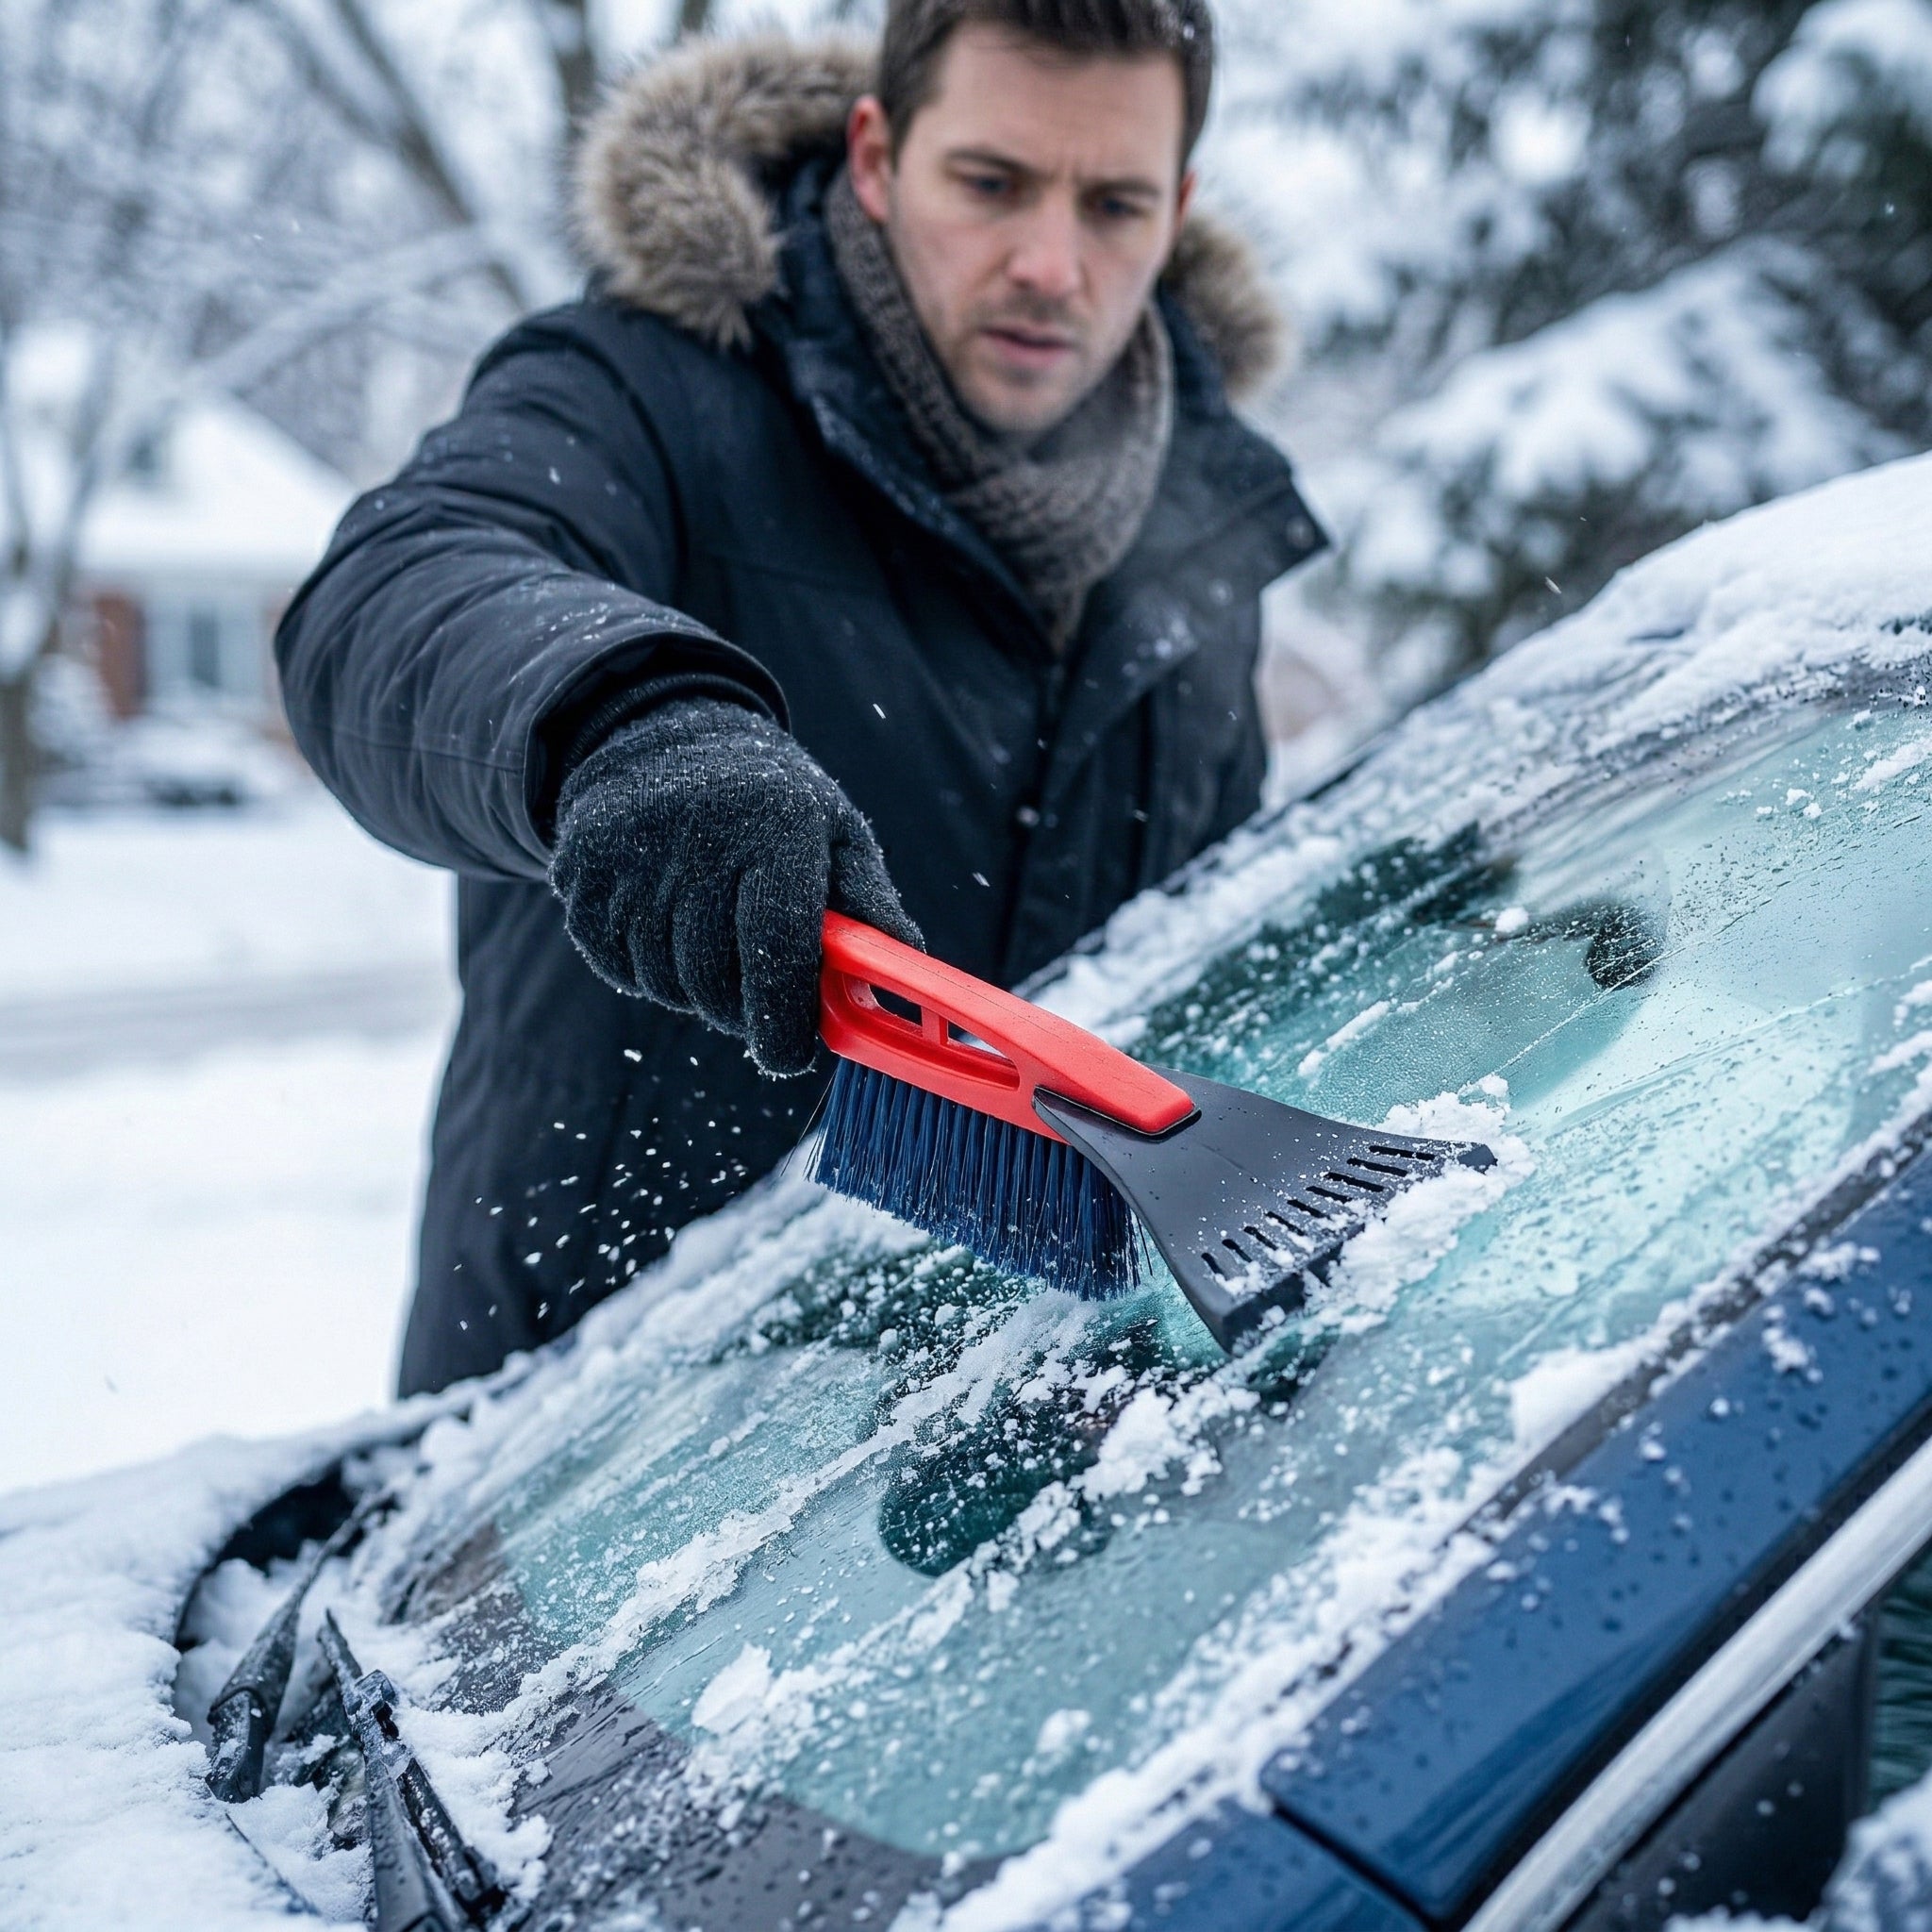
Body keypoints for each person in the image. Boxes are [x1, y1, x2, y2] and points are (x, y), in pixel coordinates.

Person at [276, 0, 1327, 1396]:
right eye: (992, 183)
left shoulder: (1203, 539)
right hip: (562, 1456)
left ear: (1179, 206)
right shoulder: (647, 389)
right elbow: (396, 590)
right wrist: (626, 721)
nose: (1050, 264)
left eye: (1116, 204)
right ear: (879, 156)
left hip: (982, 1460)